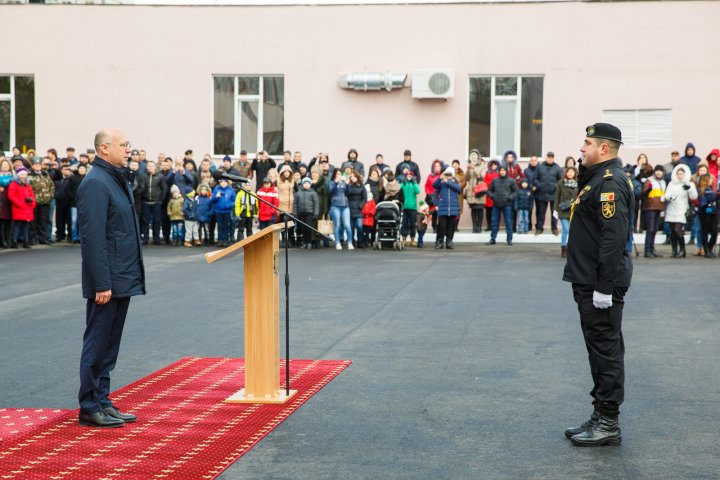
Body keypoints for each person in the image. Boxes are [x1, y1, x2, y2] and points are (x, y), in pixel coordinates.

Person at [563, 123, 633, 447]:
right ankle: (600, 414)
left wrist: (604, 288)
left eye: (587, 143)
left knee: (606, 352)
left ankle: (608, 422)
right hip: (588, 280)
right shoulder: (595, 179)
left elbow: (612, 239)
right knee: (597, 351)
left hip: (599, 284)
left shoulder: (610, 183)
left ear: (604, 148)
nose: (581, 148)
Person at [77, 128, 145, 428]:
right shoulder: (95, 182)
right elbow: (93, 239)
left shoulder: (116, 178)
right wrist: (101, 282)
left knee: (110, 345)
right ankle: (89, 405)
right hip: (107, 281)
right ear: (104, 149)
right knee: (97, 343)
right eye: (123, 144)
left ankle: (103, 400)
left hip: (122, 275)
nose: (128, 149)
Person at [664, 164, 697, 258]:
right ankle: (674, 251)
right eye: (678, 174)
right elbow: (666, 194)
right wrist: (670, 197)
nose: (679, 176)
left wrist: (690, 189)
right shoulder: (671, 183)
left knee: (678, 230)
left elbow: (694, 197)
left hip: (682, 209)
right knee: (672, 232)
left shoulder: (689, 184)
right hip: (671, 209)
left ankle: (683, 250)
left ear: (685, 174)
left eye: (681, 174)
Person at [533, 152, 563, 235]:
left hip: (554, 194)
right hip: (542, 194)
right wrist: (539, 185)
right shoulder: (540, 167)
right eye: (548, 157)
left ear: (554, 158)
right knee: (541, 213)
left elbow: (561, 180)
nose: (550, 159)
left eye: (552, 157)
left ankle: (554, 229)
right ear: (546, 158)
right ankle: (539, 228)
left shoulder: (557, 168)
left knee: (554, 213)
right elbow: (535, 178)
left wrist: (555, 186)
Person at [486, 166, 517, 246]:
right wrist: (492, 196)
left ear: (506, 171)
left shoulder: (511, 181)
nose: (502, 171)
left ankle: (509, 240)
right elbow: (489, 190)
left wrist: (510, 198)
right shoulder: (495, 180)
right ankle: (493, 239)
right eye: (501, 170)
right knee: (494, 223)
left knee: (508, 222)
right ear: (499, 171)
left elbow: (516, 191)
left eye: (504, 170)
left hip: (507, 204)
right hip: (496, 204)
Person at [28, 156, 55, 245]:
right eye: (36, 164)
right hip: (34, 202)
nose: (38, 166)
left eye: (39, 164)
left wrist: (50, 195)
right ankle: (33, 238)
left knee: (43, 221)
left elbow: (51, 186)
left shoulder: (45, 174)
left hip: (45, 201)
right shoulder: (29, 175)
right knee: (33, 221)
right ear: (32, 165)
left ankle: (42, 238)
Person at [432, 166, 461, 249]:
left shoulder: (455, 182)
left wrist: (447, 181)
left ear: (453, 175)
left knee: (451, 226)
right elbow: (434, 185)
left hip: (453, 208)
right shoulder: (441, 182)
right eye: (447, 174)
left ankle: (449, 241)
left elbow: (458, 188)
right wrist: (440, 178)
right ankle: (439, 241)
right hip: (443, 208)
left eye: (450, 174)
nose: (448, 176)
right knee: (441, 226)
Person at [641, 165, 667, 258]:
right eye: (657, 170)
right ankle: (647, 250)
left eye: (660, 170)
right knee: (650, 229)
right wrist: (648, 189)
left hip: (658, 208)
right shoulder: (650, 180)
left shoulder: (663, 182)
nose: (658, 172)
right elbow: (643, 193)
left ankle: (652, 249)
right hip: (650, 207)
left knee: (655, 229)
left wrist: (663, 209)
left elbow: (663, 196)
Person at [7, 166, 36, 248]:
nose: (23, 176)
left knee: (26, 225)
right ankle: (14, 241)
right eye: (21, 174)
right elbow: (11, 196)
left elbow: (32, 195)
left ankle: (26, 241)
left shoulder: (28, 185)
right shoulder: (14, 184)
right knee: (17, 225)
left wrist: (32, 202)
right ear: (18, 175)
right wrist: (20, 204)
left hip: (27, 208)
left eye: (24, 174)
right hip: (18, 208)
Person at [694, 168, 718, 258]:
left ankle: (709, 247)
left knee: (714, 231)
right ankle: (706, 250)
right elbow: (702, 200)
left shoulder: (711, 189)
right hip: (705, 213)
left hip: (714, 212)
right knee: (705, 231)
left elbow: (714, 199)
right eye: (710, 179)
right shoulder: (701, 190)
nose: (712, 180)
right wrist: (706, 206)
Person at [555, 167, 579, 257]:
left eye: (571, 172)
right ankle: (564, 248)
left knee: (572, 230)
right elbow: (557, 197)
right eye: (568, 172)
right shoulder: (561, 183)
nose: (569, 173)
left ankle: (571, 249)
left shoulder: (578, 183)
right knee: (566, 229)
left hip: (574, 210)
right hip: (563, 210)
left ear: (575, 173)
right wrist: (555, 209)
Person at [328, 169, 353, 250]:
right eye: (337, 174)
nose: (339, 175)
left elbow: (348, 193)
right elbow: (331, 191)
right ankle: (337, 243)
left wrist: (348, 185)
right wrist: (336, 182)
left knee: (347, 225)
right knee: (337, 225)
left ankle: (350, 242)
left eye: (340, 173)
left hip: (345, 206)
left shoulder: (343, 182)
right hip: (335, 206)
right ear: (334, 175)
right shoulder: (331, 182)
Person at [464, 150, 488, 233]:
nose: (473, 157)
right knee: (473, 210)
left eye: (475, 155)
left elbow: (482, 176)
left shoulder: (483, 166)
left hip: (479, 190)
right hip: (471, 191)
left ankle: (479, 227)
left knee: (480, 210)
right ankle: (474, 227)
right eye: (472, 156)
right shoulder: (470, 166)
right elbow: (466, 179)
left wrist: (474, 169)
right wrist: (468, 170)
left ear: (478, 157)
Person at [293, 177, 320, 249]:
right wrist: (295, 213)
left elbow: (316, 204)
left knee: (308, 228)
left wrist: (316, 213)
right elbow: (295, 204)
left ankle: (309, 242)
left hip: (310, 213)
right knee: (302, 228)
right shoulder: (298, 193)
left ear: (310, 185)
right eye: (305, 183)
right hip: (301, 213)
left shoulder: (313, 193)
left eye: (308, 183)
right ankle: (304, 242)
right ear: (302, 184)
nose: (306, 185)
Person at [211, 178, 236, 247]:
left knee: (226, 226)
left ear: (227, 183)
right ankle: (220, 240)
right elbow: (212, 200)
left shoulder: (231, 190)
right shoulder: (216, 189)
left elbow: (234, 201)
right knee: (220, 226)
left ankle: (225, 240)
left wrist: (229, 206)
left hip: (227, 211)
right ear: (219, 183)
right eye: (221, 182)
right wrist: (216, 197)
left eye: (225, 182)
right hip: (218, 211)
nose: (223, 184)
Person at [399, 170, 420, 247]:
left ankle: (412, 239)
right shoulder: (403, 184)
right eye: (407, 176)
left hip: (413, 208)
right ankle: (404, 239)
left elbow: (418, 191)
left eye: (410, 176)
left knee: (412, 224)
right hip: (404, 208)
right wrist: (403, 182)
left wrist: (414, 183)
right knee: (404, 224)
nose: (409, 177)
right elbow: (398, 189)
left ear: (412, 177)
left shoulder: (414, 184)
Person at [347, 171, 367, 248]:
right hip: (350, 207)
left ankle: (360, 241)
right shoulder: (349, 186)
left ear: (357, 177)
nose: (353, 178)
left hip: (359, 208)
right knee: (351, 227)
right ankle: (351, 241)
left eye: (354, 176)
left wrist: (361, 205)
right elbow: (346, 195)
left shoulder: (362, 186)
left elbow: (365, 198)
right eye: (351, 177)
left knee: (359, 226)